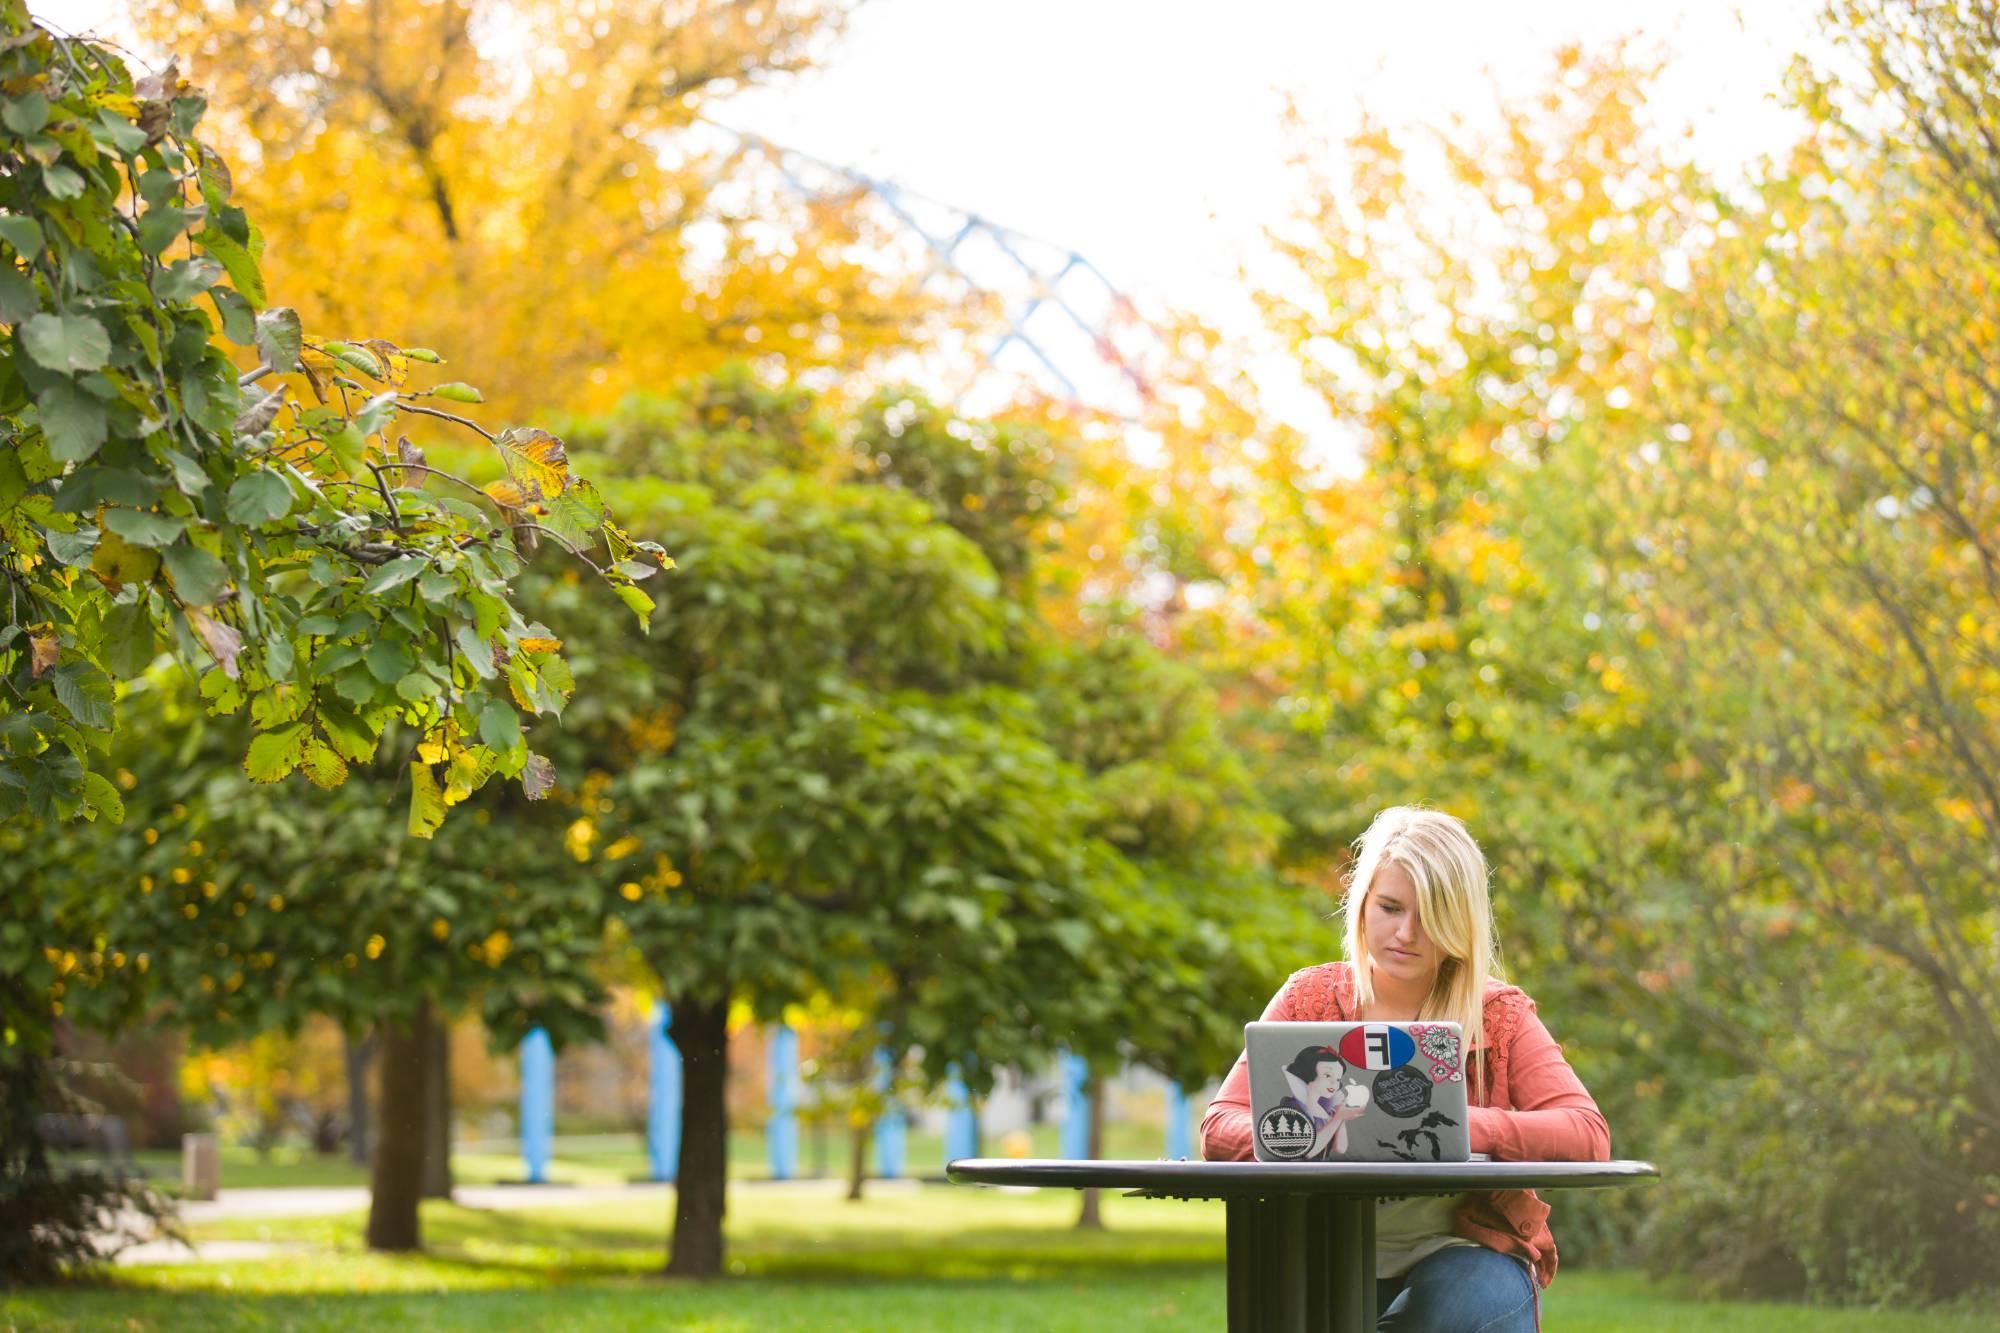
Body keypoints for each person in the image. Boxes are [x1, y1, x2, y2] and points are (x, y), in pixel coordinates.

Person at [1200, 806, 1609, 1333]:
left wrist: (1465, 1126)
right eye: (1390, 907)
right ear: (1362, 903)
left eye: (1431, 914)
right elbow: (1220, 1125)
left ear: (1461, 920)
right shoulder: (1308, 997)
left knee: (1462, 1304)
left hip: (1463, 1249)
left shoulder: (1498, 1015)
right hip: (1323, 1248)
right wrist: (1314, 1130)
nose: (1406, 933)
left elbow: (1587, 1131)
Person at [1279, 1045, 1370, 1158]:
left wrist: (1340, 1114)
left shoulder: (1328, 1111)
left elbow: (1340, 1148)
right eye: (1327, 1075)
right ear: (1308, 1072)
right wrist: (1338, 1118)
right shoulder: (1293, 1107)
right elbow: (1307, 1152)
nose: (1334, 1083)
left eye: (1338, 1079)